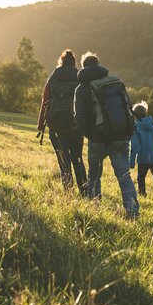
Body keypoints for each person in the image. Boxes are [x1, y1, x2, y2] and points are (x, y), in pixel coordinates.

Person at [74, 52, 139, 218]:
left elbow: (80, 118)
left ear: (84, 67)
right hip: (120, 137)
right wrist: (127, 132)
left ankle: (95, 210)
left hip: (98, 139)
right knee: (124, 176)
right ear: (98, 65)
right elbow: (129, 108)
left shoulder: (82, 89)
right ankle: (132, 212)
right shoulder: (116, 84)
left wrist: (91, 135)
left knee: (94, 175)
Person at [37, 49, 88, 196]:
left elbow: (45, 101)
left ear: (61, 62)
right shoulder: (79, 77)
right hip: (75, 126)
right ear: (74, 63)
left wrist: (41, 126)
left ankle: (68, 193)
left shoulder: (53, 78)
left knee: (63, 160)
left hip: (55, 126)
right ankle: (84, 192)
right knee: (77, 158)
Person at [129, 101, 153, 206]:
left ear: (134, 115)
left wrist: (131, 162)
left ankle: (142, 197)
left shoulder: (136, 128)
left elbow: (134, 147)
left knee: (141, 178)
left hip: (143, 158)